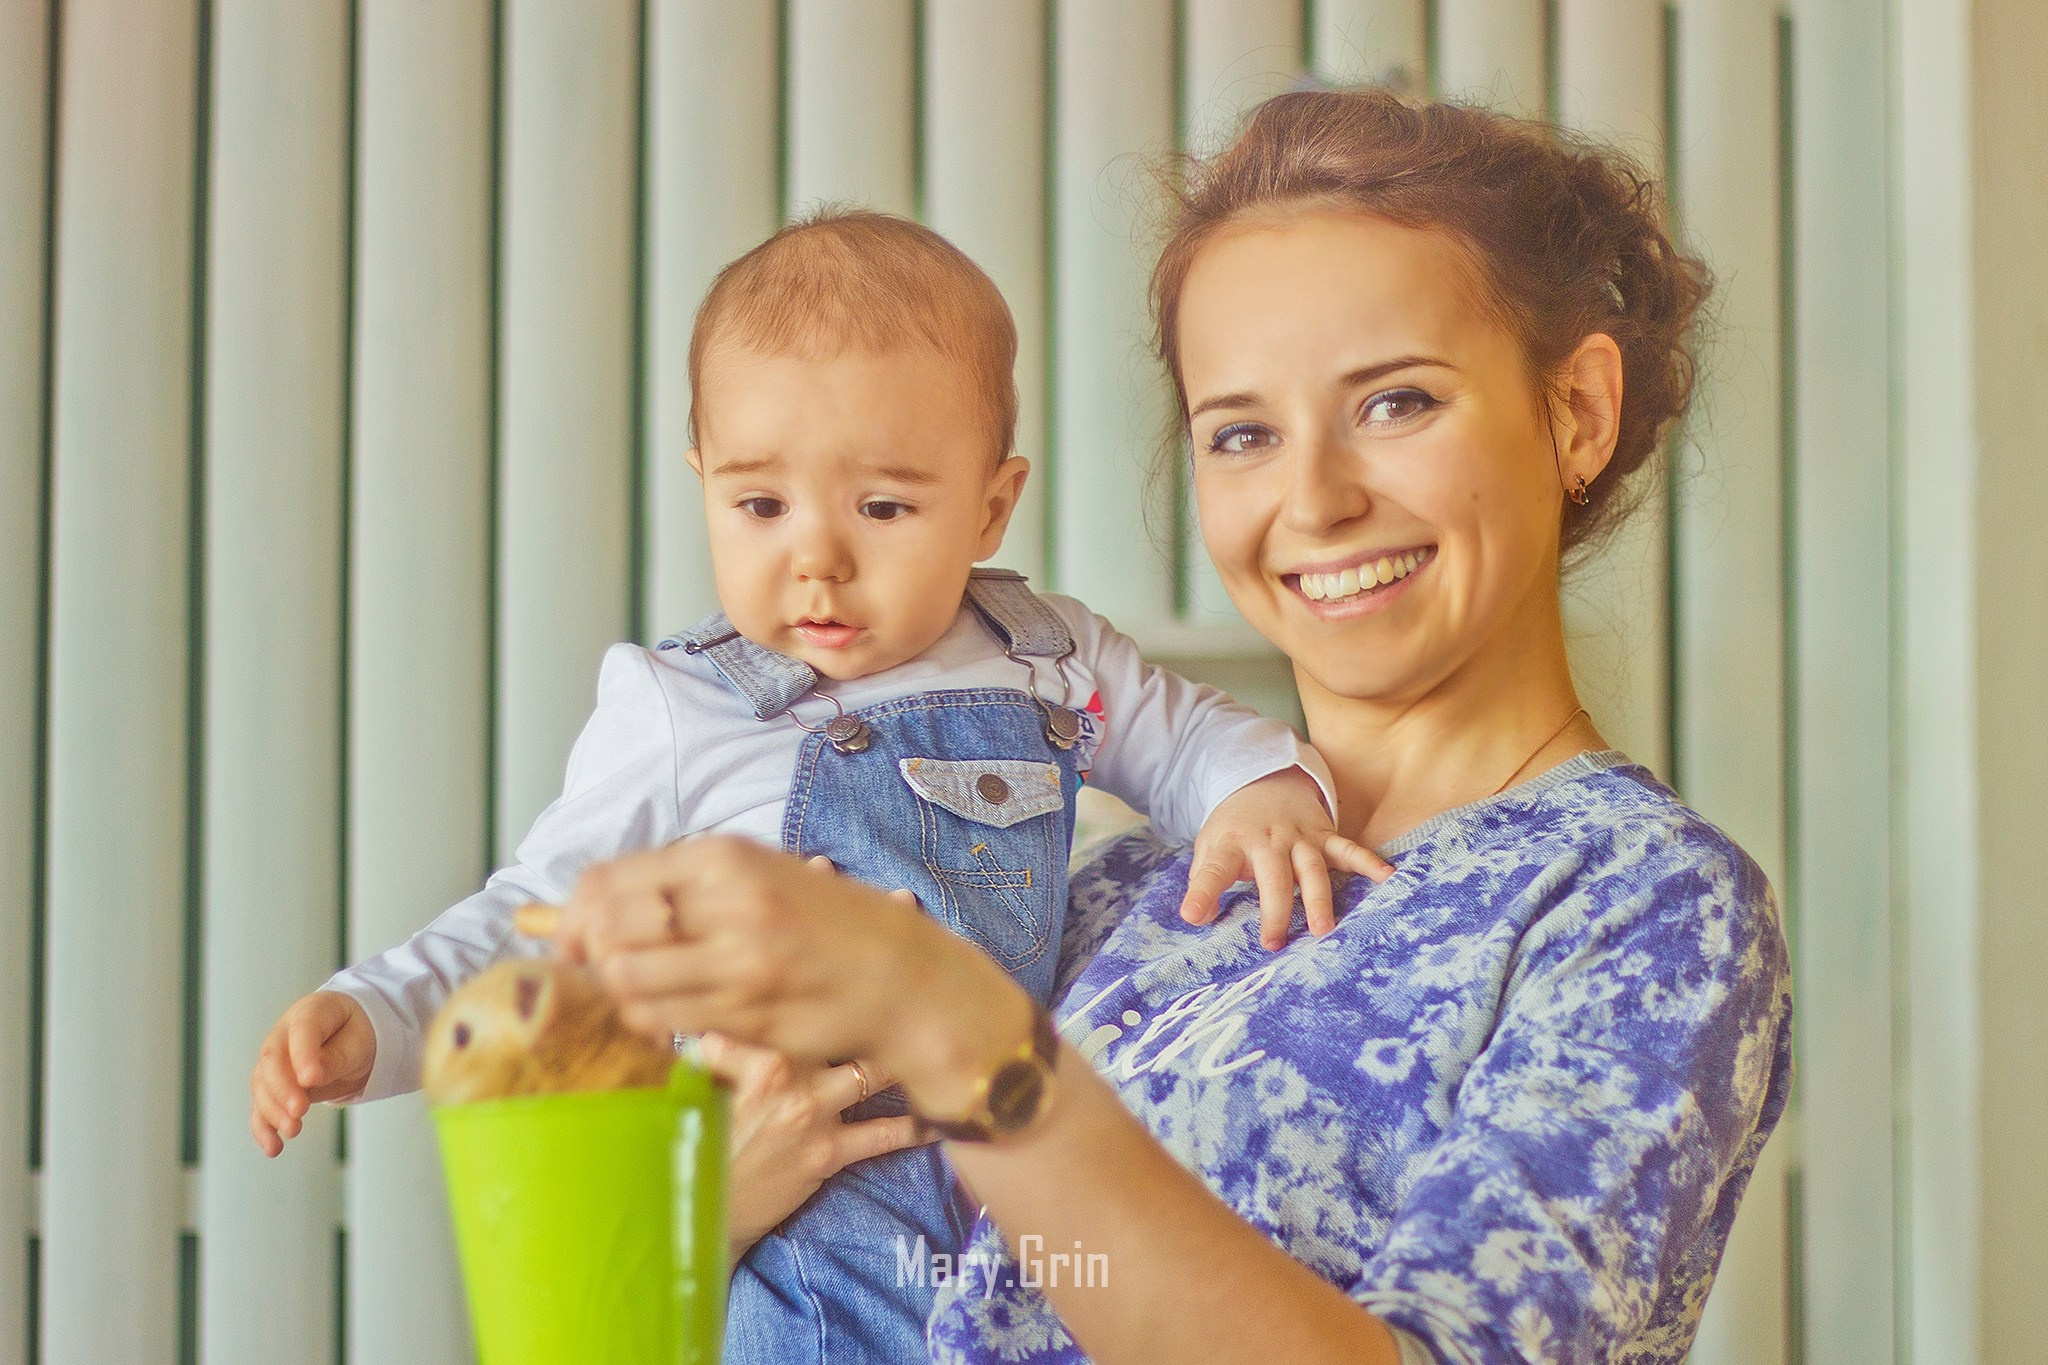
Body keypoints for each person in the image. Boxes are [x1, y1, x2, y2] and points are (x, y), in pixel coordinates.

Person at [548, 88, 1794, 1365]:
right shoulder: (1111, 885)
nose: (1312, 499)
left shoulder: (1638, 904)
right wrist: (705, 1211)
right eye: (1242, 433)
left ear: (1576, 411)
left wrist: (966, 1040)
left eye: (1395, 404)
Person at [247, 210, 1387, 1363]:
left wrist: (1260, 790)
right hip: (807, 1208)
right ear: (703, 483)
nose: (817, 559)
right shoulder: (682, 706)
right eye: (760, 506)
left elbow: (1186, 742)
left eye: (882, 508)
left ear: (990, 506)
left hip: (1013, 1182)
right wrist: (377, 1016)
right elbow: (539, 914)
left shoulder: (1048, 658)